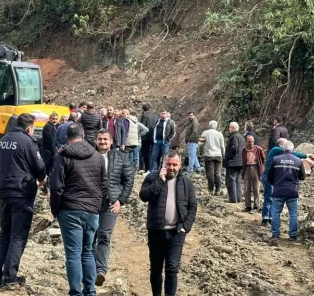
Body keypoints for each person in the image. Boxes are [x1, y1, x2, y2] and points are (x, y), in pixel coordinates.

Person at [0, 113, 46, 289]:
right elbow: (39, 168)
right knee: (18, 236)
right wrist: (42, 178)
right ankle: (10, 277)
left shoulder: (3, 140)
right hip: (21, 193)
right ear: (29, 127)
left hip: (4, 192)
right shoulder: (27, 142)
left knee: (4, 235)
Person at [50, 124, 107, 296]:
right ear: (83, 136)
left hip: (70, 209)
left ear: (67, 138)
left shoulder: (63, 155)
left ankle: (76, 292)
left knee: (73, 253)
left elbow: (56, 186)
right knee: (87, 251)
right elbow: (104, 185)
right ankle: (90, 291)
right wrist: (98, 206)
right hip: (92, 210)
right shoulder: (97, 156)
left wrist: (55, 208)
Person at [139, 150, 197, 296]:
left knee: (172, 269)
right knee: (156, 268)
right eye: (168, 164)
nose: (171, 167)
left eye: (174, 165)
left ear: (179, 165)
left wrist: (186, 226)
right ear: (163, 164)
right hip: (156, 231)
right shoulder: (152, 177)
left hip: (176, 232)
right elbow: (144, 196)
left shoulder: (186, 182)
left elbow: (192, 205)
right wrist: (160, 181)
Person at [94, 129, 135, 286]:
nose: (103, 142)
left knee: (104, 235)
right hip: (92, 203)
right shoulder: (90, 156)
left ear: (111, 142)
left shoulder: (121, 157)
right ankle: (90, 269)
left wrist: (121, 201)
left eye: (105, 139)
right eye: (100, 139)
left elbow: (128, 180)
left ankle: (101, 270)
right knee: (91, 236)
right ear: (96, 140)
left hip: (111, 203)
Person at [261, 138, 309, 226]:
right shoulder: (277, 149)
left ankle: (270, 219)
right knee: (269, 198)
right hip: (268, 176)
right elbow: (293, 154)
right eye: (285, 144)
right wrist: (306, 156)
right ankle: (265, 218)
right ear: (281, 145)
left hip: (271, 177)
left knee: (271, 198)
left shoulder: (278, 152)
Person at [267, 141, 306, 245]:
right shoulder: (298, 161)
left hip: (278, 190)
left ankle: (275, 234)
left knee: (275, 213)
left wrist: (274, 183)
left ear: (283, 149)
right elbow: (302, 176)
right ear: (293, 150)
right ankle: (293, 235)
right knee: (293, 214)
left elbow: (269, 176)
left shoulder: (276, 159)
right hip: (292, 191)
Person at [200, 120, 225, 195]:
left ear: (209, 125)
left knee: (210, 172)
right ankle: (218, 189)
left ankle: (211, 189)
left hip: (208, 155)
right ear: (216, 126)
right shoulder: (219, 134)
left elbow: (200, 144)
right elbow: (222, 146)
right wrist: (223, 155)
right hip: (218, 155)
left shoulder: (205, 133)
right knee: (217, 173)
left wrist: (200, 152)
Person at [242, 134, 265, 212]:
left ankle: (256, 206)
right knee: (246, 188)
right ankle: (247, 206)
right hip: (247, 168)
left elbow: (263, 159)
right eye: (249, 141)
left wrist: (261, 169)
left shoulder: (258, 149)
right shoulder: (244, 150)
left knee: (256, 188)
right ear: (246, 142)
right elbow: (243, 160)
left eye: (252, 141)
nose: (251, 143)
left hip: (256, 168)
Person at [224, 122, 245, 203]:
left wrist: (227, 156)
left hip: (233, 162)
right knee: (237, 181)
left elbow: (234, 148)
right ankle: (238, 198)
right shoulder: (241, 137)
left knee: (231, 181)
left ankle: (233, 199)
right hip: (240, 162)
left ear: (233, 128)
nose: (228, 129)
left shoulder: (234, 136)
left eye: (229, 127)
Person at [40, 112, 58, 192]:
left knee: (49, 170)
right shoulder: (48, 127)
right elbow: (50, 141)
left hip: (50, 152)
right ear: (50, 118)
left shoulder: (53, 127)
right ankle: (46, 187)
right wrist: (55, 152)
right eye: (53, 119)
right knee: (48, 171)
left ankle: (47, 187)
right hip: (48, 153)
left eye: (56, 119)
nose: (54, 120)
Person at [140, 104, 160, 172]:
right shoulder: (156, 116)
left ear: (143, 109)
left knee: (145, 153)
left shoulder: (144, 115)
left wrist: (140, 135)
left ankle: (147, 168)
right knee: (153, 153)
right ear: (150, 108)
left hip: (145, 137)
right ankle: (154, 167)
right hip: (154, 137)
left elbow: (142, 126)